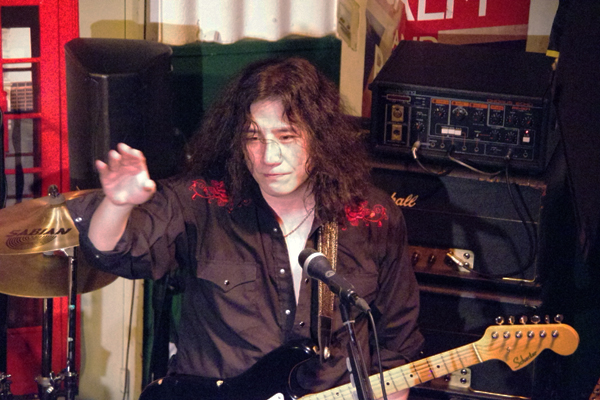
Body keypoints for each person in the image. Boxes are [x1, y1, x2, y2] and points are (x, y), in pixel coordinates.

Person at [68, 57, 423, 400]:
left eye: (287, 136)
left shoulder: (372, 216)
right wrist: (118, 204)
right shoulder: (203, 202)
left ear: (321, 138)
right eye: (253, 137)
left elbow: (398, 337)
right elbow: (112, 251)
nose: (268, 156)